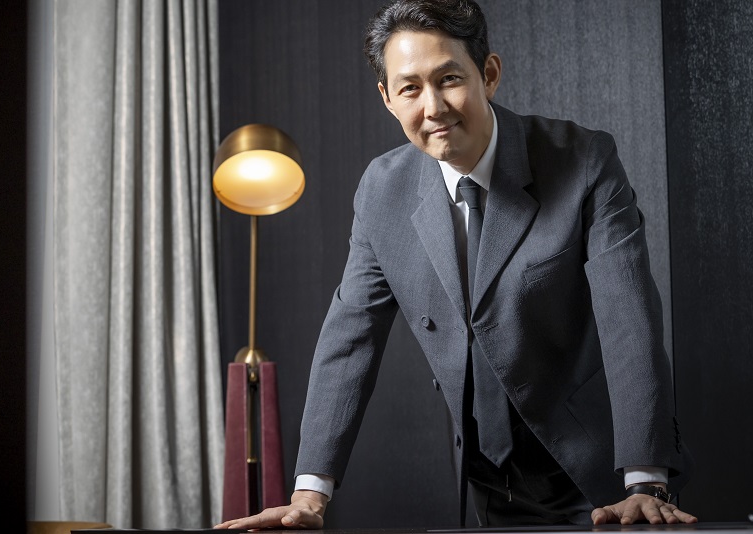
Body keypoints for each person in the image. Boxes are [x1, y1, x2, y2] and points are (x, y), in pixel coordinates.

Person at [215, 0, 696, 528]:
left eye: (449, 79)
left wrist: (645, 480)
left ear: (488, 74)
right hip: (484, 480)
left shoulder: (584, 161)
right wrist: (310, 494)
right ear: (387, 98)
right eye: (410, 89)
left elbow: (629, 318)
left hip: (602, 478)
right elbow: (349, 338)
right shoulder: (382, 190)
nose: (434, 107)